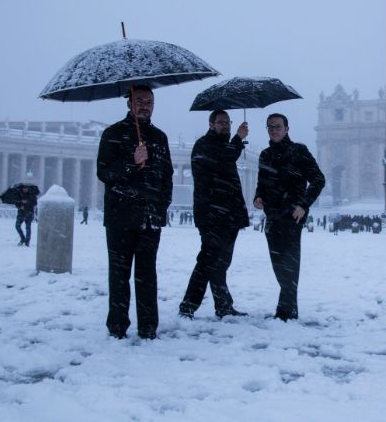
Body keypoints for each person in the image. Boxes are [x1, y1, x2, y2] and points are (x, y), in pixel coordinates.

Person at [96, 85, 173, 340]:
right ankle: (117, 326)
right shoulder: (112, 133)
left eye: (149, 101)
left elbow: (167, 176)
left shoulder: (160, 137)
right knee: (119, 275)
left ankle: (149, 326)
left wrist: (162, 205)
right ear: (128, 103)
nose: (145, 105)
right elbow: (104, 173)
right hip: (120, 216)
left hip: (150, 217)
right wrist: (132, 162)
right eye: (139, 100)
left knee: (147, 275)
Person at [253, 113, 325, 321]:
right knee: (277, 264)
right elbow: (261, 183)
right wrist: (258, 196)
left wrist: (303, 205)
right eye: (269, 127)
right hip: (272, 216)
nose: (273, 130)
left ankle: (286, 312)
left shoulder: (299, 151)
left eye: (277, 126)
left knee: (289, 265)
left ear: (287, 128)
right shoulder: (265, 155)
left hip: (292, 216)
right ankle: (287, 309)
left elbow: (318, 179)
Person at [179, 110, 249, 320]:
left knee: (221, 263)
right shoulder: (204, 145)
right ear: (211, 124)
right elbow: (224, 161)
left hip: (230, 215)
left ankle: (223, 305)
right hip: (211, 214)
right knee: (207, 261)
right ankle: (188, 306)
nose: (225, 125)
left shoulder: (223, 145)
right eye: (221, 122)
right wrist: (238, 138)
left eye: (228, 122)